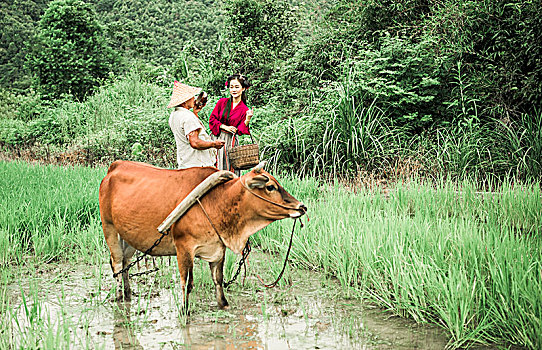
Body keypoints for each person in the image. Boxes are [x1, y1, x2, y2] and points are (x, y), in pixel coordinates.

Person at [167, 81, 225, 169]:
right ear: (185, 101)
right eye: (191, 97)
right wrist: (213, 144)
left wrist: (195, 113)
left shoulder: (174, 115)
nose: (194, 99)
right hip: (198, 165)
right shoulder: (188, 117)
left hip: (185, 164)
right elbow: (194, 142)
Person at [209, 74, 254, 175]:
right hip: (216, 138)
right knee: (214, 166)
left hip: (230, 141)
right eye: (231, 87)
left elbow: (241, 130)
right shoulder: (222, 102)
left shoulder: (244, 109)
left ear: (243, 89)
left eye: (237, 87)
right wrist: (224, 126)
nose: (234, 90)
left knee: (229, 168)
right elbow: (212, 119)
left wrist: (247, 119)